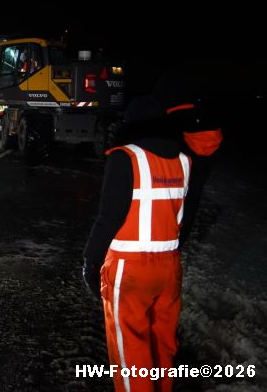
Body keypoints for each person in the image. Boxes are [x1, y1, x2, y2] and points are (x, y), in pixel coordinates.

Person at [83, 95, 190, 392]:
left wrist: (90, 262)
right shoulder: (184, 161)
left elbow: (108, 218)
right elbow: (182, 218)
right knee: (163, 345)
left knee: (131, 354)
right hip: (169, 268)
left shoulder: (125, 157)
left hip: (129, 270)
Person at [153, 72, 222, 249]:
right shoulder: (206, 121)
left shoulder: (172, 120)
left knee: (173, 202)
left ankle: (168, 241)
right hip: (201, 168)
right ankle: (180, 241)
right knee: (192, 200)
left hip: (178, 174)